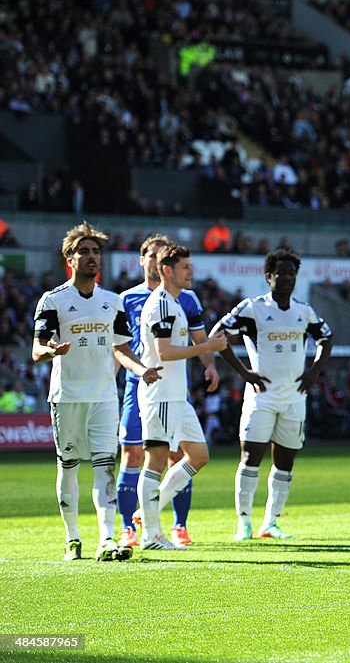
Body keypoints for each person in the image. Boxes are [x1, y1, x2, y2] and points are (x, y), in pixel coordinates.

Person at [32, 222, 161, 561]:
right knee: (70, 465)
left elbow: (121, 349)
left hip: (105, 396)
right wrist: (51, 352)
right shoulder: (53, 300)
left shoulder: (112, 302)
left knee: (105, 466)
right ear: (69, 259)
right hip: (68, 396)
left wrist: (141, 369)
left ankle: (106, 539)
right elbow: (36, 350)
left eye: (95, 252)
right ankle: (72, 538)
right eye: (83, 252)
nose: (91, 257)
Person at [211, 249, 334, 541]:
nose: (287, 278)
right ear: (269, 276)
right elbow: (218, 334)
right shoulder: (252, 308)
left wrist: (314, 370)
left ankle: (271, 523)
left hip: (294, 399)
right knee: (250, 458)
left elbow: (326, 338)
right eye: (281, 273)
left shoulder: (303, 311)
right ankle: (244, 523)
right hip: (261, 398)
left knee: (285, 461)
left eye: (292, 273)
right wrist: (244, 373)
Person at [116, 234, 219, 549]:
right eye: (185, 267)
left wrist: (207, 355)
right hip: (160, 393)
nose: (191, 272)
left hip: (177, 395)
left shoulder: (176, 302)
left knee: (198, 456)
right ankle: (151, 535)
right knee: (156, 460)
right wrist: (208, 346)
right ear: (167, 271)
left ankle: (145, 513)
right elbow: (164, 353)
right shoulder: (161, 304)